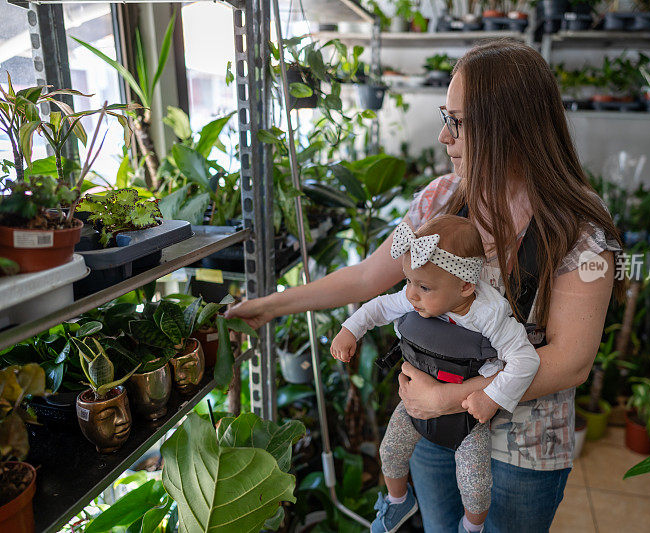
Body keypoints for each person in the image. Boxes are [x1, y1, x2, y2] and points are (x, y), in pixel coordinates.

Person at [226, 38, 624, 532]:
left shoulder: (580, 230)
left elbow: (572, 361)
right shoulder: (440, 200)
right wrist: (270, 306)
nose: (443, 136)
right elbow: (370, 277)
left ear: (509, 127)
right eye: (446, 116)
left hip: (522, 452)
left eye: (457, 121)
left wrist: (451, 398)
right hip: (430, 431)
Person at [330, 215, 541, 533]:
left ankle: (472, 527)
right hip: (416, 403)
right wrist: (350, 329)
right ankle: (398, 501)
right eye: (409, 281)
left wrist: (491, 397)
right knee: (390, 451)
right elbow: (379, 307)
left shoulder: (488, 314)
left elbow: (525, 360)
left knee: (474, 482)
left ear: (466, 286)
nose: (411, 295)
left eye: (423, 286)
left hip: (467, 415)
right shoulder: (416, 296)